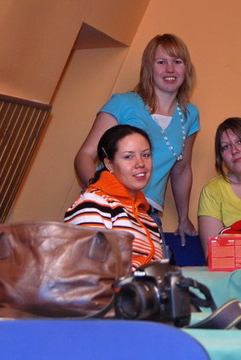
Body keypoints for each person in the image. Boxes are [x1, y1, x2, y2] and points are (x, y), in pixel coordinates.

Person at [75, 34, 200, 244]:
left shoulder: (189, 114)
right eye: (161, 62)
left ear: (186, 68)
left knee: (148, 264)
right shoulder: (123, 103)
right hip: (107, 209)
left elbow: (182, 169)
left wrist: (183, 219)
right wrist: (102, 196)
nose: (170, 69)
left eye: (177, 62)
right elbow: (85, 156)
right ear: (149, 68)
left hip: (147, 212)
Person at [65, 125, 163, 270]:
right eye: (128, 156)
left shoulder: (147, 217)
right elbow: (88, 270)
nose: (140, 163)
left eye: (146, 155)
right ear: (109, 164)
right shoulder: (93, 202)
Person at [197, 117, 241, 255]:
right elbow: (213, 254)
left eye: (240, 141)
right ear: (221, 158)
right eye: (226, 146)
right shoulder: (213, 191)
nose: (234, 150)